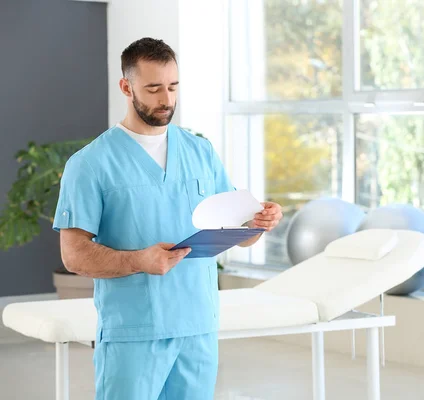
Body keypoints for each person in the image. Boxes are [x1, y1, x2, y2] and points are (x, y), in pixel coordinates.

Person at [52, 37, 283, 400]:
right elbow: (73, 254)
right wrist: (138, 260)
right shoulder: (90, 164)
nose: (167, 99)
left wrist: (259, 224)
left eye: (173, 86)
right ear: (126, 87)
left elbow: (239, 231)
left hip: (197, 325)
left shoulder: (200, 151)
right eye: (154, 88)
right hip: (135, 330)